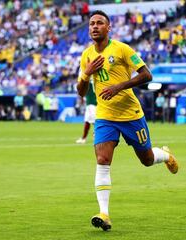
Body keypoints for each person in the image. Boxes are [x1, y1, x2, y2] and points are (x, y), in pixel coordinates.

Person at [76, 10, 179, 232]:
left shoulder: (122, 49)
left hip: (131, 115)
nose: (95, 26)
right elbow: (81, 92)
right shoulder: (86, 56)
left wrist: (119, 86)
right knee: (102, 160)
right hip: (105, 116)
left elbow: (147, 75)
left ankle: (166, 155)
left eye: (100, 23)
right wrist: (86, 73)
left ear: (108, 27)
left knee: (147, 159)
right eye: (92, 23)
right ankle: (104, 214)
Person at [76, 79, 97, 144]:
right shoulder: (95, 80)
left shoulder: (88, 80)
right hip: (91, 103)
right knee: (87, 121)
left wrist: (81, 98)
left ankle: (97, 135)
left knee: (94, 121)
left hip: (92, 103)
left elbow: (81, 89)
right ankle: (83, 138)